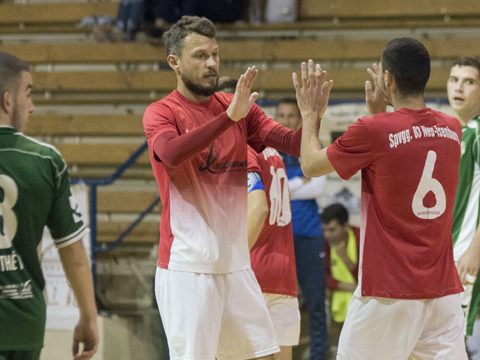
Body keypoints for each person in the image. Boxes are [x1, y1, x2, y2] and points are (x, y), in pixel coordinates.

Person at [294, 38, 467, 359]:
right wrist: (379, 113)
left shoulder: (373, 130)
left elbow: (310, 165)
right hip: (442, 292)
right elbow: (403, 151)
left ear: (387, 79)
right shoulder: (452, 128)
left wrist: (309, 114)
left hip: (389, 292)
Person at [142, 16, 302, 360]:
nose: (212, 63)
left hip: (235, 267)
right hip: (188, 268)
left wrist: (312, 117)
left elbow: (291, 141)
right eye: (200, 56)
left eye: (214, 54)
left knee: (260, 355)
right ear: (174, 61)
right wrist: (228, 118)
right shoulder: (162, 112)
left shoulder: (240, 109)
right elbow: (170, 153)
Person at [0, 52, 98, 360]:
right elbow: (72, 249)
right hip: (23, 321)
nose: (32, 107)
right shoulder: (45, 160)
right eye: (27, 95)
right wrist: (88, 315)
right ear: (7, 101)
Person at [274, 98, 328, 360]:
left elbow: (318, 187)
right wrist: (300, 180)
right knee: (278, 302)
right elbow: (271, 189)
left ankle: (318, 355)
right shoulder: (268, 149)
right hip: (277, 236)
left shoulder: (311, 145)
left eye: (291, 116)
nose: (286, 120)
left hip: (308, 235)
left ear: (299, 119)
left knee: (316, 302)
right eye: (281, 115)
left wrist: (285, 183)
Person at [247, 145, 300, 360]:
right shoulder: (273, 153)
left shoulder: (244, 150)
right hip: (284, 272)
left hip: (253, 268)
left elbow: (257, 209)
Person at [446, 56, 480, 355]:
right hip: (451, 253)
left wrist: (475, 249)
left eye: (469, 81)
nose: (460, 88)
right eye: (454, 80)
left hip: (469, 254)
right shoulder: (457, 132)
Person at [321, 203, 359, 356]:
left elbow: (368, 275)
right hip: (338, 303)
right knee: (339, 349)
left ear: (345, 226)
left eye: (332, 229)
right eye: (324, 230)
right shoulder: (324, 243)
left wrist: (345, 258)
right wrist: (344, 285)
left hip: (362, 302)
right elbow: (322, 276)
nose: (327, 235)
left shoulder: (361, 237)